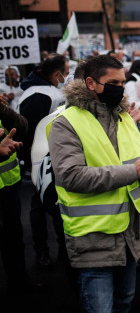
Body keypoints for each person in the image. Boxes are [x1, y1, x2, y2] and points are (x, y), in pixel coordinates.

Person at [48, 54, 140, 311]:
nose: (120, 87)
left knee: (124, 302)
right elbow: (70, 176)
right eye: (113, 82)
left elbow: (138, 163)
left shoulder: (124, 118)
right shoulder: (65, 123)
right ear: (91, 83)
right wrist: (134, 171)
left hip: (129, 234)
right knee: (100, 308)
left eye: (123, 82)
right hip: (93, 237)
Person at [18, 54, 69, 268]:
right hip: (43, 157)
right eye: (65, 72)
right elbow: (31, 131)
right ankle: (43, 252)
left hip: (46, 155)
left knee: (49, 204)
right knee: (42, 204)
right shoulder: (41, 96)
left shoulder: (37, 91)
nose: (66, 76)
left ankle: (56, 251)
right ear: (57, 74)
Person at [0, 93, 44, 293]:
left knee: (14, 237)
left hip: (8, 186)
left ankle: (19, 280)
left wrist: (4, 110)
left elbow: (22, 129)